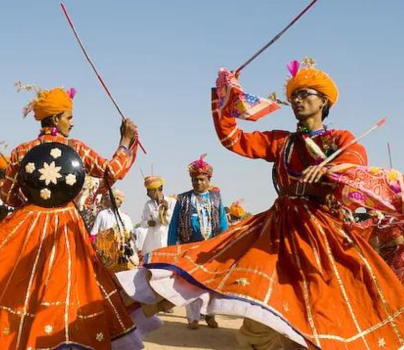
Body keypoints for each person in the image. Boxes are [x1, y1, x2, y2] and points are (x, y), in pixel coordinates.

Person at [118, 59, 404, 349]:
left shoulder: (340, 140)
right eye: (294, 95)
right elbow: (234, 139)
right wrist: (224, 99)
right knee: (240, 286)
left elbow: (356, 163)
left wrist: (332, 169)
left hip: (319, 233)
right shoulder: (283, 142)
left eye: (306, 94)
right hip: (277, 229)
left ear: (324, 102)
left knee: (320, 300)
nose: (297, 100)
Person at [0, 85, 159, 349]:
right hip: (66, 228)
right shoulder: (77, 148)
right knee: (68, 284)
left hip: (26, 226)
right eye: (69, 117)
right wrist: (125, 142)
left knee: (18, 288)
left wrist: (34, 202)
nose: (72, 123)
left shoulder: (20, 151)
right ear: (55, 118)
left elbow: (9, 197)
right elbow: (111, 171)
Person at [167, 155, 228, 329]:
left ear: (209, 179)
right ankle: (193, 318)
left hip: (211, 249)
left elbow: (223, 223)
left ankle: (210, 315)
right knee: (190, 284)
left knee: (211, 283)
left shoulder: (216, 198)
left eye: (201, 179)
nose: (198, 183)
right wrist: (172, 249)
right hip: (189, 248)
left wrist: (224, 246)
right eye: (194, 180)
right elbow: (173, 226)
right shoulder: (183, 199)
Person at [90, 188, 138, 272]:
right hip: (105, 256)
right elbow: (93, 235)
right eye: (114, 198)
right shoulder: (102, 215)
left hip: (121, 257)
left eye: (118, 199)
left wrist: (130, 238)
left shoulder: (126, 218)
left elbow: (132, 238)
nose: (116, 200)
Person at [137, 175, 176, 257]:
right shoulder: (148, 204)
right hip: (152, 242)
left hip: (167, 239)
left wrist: (167, 209)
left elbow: (173, 221)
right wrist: (148, 223)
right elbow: (142, 223)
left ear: (155, 190)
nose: (147, 193)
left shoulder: (172, 202)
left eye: (149, 190)